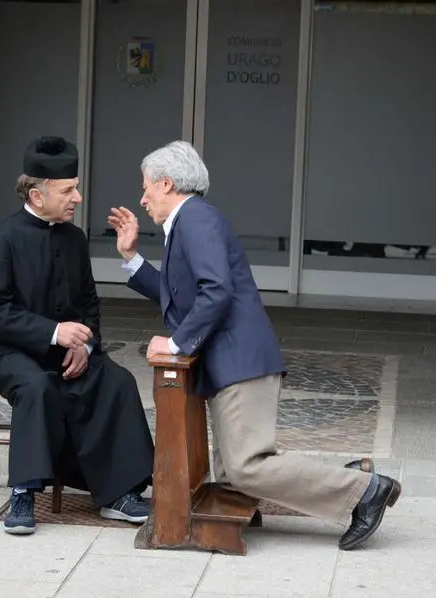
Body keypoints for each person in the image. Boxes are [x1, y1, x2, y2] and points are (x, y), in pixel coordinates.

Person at [107, 140, 402, 550]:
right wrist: (133, 259)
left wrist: (176, 342)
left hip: (239, 361)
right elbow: (182, 295)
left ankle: (364, 489)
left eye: (146, 188)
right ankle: (347, 482)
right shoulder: (189, 221)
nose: (142, 199)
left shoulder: (195, 220)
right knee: (231, 471)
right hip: (232, 360)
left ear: (168, 183)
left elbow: (216, 291)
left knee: (245, 467)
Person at [0, 135, 154, 536]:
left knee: (116, 381)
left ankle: (118, 493)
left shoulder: (74, 238)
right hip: (8, 349)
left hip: (67, 350)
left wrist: (86, 346)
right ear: (37, 195)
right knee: (36, 387)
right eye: (68, 190)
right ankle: (23, 492)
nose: (78, 197)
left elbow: (88, 303)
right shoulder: (2, 239)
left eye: (76, 187)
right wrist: (55, 333)